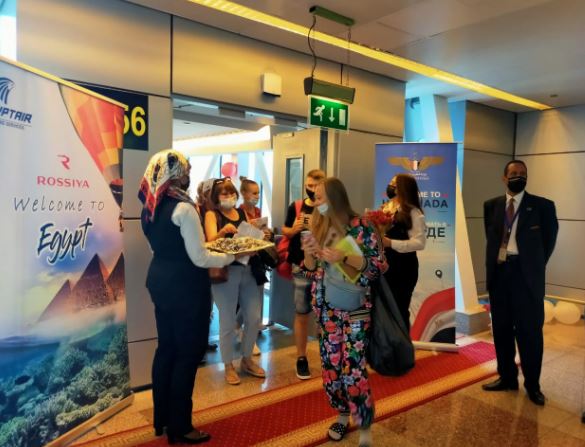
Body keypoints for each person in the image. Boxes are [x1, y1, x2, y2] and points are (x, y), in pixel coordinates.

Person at [138, 150, 235, 445]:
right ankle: (181, 427)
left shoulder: (150, 206)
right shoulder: (184, 208)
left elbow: (160, 248)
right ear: (176, 173)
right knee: (187, 355)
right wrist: (231, 256)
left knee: (166, 350)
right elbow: (200, 257)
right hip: (187, 289)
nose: (189, 174)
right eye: (187, 169)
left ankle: (163, 420)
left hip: (160, 282)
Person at [303, 177, 386, 447]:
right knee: (331, 366)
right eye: (315, 198)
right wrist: (309, 253)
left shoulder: (363, 226)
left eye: (320, 197)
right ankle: (341, 414)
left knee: (353, 367)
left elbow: (378, 266)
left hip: (356, 307)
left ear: (335, 198)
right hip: (327, 308)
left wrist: (345, 256)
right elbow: (311, 269)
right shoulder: (319, 225)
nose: (316, 202)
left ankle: (364, 423)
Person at [482, 160, 558, 406]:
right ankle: (507, 378)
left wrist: (532, 265)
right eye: (514, 173)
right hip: (500, 275)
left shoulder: (543, 206)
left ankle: (533, 386)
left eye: (522, 173)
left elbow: (548, 242)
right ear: (504, 178)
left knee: (530, 334)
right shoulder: (491, 205)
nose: (518, 176)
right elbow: (491, 238)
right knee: (502, 331)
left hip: (527, 279)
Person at [204, 178, 265, 385]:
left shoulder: (241, 213)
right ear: (216, 197)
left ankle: (247, 359)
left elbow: (248, 238)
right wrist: (223, 232)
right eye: (224, 193)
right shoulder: (212, 215)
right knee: (228, 321)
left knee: (254, 317)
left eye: (231, 193)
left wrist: (257, 240)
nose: (229, 197)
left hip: (248, 269)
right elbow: (209, 243)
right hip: (225, 272)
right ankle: (228, 365)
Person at [281, 169, 326, 380]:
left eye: (315, 185)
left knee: (326, 314)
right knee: (301, 312)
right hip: (300, 266)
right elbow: (285, 230)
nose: (311, 189)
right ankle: (301, 357)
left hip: (324, 266)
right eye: (309, 185)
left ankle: (328, 355)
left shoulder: (327, 207)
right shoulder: (297, 206)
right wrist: (294, 229)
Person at [381, 174, 426, 331]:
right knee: (386, 310)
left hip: (404, 268)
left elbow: (419, 243)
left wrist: (391, 243)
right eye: (390, 182)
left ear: (403, 188)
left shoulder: (413, 212)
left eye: (394, 183)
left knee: (399, 309)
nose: (390, 186)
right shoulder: (386, 208)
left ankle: (403, 344)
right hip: (386, 265)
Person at [238, 176, 272, 356]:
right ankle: (246, 338)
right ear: (243, 193)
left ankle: (240, 329)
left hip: (258, 259)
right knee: (249, 302)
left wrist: (266, 233)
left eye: (258, 193)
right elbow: (240, 238)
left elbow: (261, 233)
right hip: (245, 260)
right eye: (254, 193)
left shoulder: (257, 211)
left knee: (255, 298)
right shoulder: (239, 212)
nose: (257, 196)